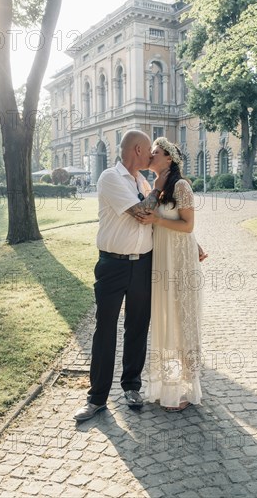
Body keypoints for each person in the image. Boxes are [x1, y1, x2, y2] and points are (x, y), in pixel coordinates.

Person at [74, 130, 169, 422]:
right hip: (112, 266)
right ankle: (97, 398)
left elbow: (158, 223)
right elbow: (141, 212)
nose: (152, 157)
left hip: (143, 265)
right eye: (149, 152)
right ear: (138, 149)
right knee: (105, 329)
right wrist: (159, 187)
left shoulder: (141, 180)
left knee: (138, 327)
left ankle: (132, 387)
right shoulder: (110, 178)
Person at [136, 137, 207, 412]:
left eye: (156, 152)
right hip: (162, 259)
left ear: (169, 159)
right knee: (166, 315)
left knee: (183, 316)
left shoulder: (181, 185)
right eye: (151, 152)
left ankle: (189, 387)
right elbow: (150, 216)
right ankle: (166, 383)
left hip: (180, 260)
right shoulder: (156, 185)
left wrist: (158, 221)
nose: (151, 156)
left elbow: (187, 225)